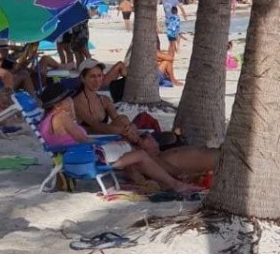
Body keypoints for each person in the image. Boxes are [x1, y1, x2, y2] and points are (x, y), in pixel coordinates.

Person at [38, 83, 201, 193]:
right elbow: (83, 139)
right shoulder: (62, 117)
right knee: (140, 154)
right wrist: (108, 141)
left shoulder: (47, 120)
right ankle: (176, 182)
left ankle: (175, 178)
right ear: (57, 105)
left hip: (76, 155)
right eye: (67, 99)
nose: (70, 100)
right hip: (86, 157)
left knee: (135, 150)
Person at [72, 58, 137, 140]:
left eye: (99, 76)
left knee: (123, 118)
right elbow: (96, 125)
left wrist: (130, 126)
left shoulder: (104, 100)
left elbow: (117, 118)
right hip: (89, 140)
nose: (97, 81)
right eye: (92, 76)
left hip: (105, 138)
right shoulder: (77, 101)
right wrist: (121, 130)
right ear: (82, 78)